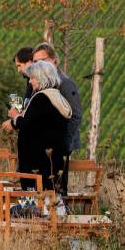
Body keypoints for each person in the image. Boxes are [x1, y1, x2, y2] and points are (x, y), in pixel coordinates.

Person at [7, 60, 71, 191]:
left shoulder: (40, 99)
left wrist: (16, 116)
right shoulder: (57, 97)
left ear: (41, 78)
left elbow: (27, 126)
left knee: (36, 199)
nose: (30, 82)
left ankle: (33, 205)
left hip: (38, 164)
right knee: (54, 196)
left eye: (32, 78)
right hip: (54, 160)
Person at [31, 42, 83, 194]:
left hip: (59, 147)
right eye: (35, 62)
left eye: (42, 60)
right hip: (43, 146)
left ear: (54, 60)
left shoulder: (65, 83)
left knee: (57, 188)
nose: (38, 65)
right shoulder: (39, 82)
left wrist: (64, 143)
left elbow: (76, 115)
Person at [3, 47, 33, 133]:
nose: (18, 70)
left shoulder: (38, 84)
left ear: (29, 62)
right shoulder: (29, 81)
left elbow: (33, 117)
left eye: (19, 65)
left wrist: (14, 122)